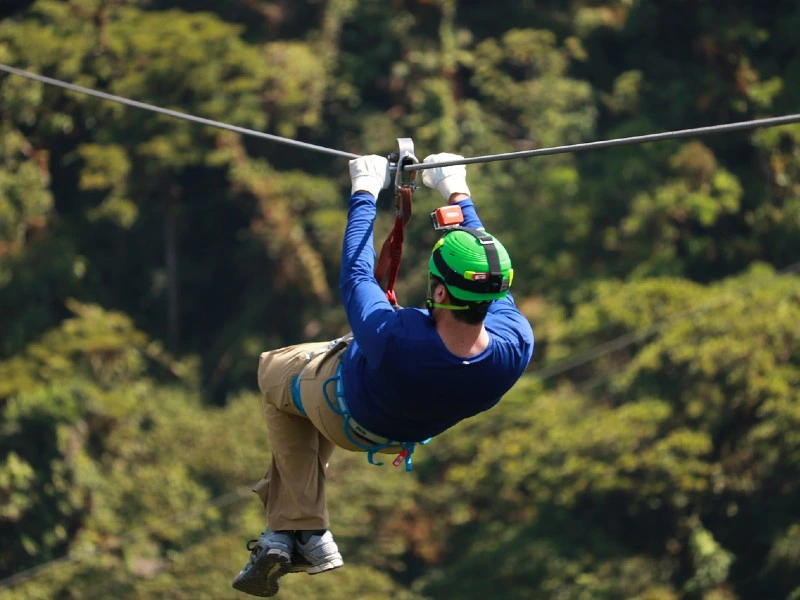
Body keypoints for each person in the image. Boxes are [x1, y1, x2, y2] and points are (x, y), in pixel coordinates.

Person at [232, 153, 534, 597]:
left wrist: (364, 193)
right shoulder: (515, 344)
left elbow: (356, 274)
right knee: (305, 394)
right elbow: (487, 273)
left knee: (274, 370)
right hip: (401, 433)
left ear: (438, 292)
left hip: (344, 411)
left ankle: (303, 527)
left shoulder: (396, 338)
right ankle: (290, 532)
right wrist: (457, 192)